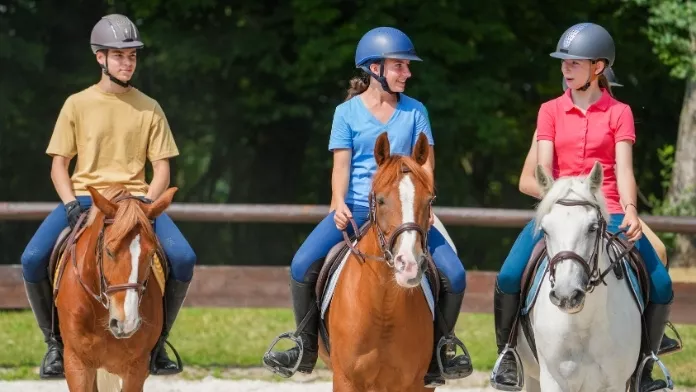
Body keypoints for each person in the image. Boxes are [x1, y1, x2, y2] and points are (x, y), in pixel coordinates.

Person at [262, 26, 472, 387]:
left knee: (454, 275)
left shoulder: (416, 111)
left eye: (407, 67)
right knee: (301, 265)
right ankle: (305, 344)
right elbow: (341, 166)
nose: (407, 73)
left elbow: (427, 167)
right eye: (399, 66)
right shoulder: (346, 114)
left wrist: (422, 206)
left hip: (406, 211)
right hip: (359, 206)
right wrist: (337, 202)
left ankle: (441, 350)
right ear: (375, 68)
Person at [490, 22, 673, 392]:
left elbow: (623, 169)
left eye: (574, 62)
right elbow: (543, 168)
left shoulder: (618, 113)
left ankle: (648, 362)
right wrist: (555, 197)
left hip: (606, 209)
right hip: (559, 208)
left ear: (598, 67)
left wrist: (631, 209)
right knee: (509, 276)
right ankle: (508, 354)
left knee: (662, 283)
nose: (565, 68)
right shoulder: (549, 111)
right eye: (564, 62)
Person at [20, 14, 196, 379]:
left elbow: (161, 168)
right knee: (33, 258)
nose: (127, 62)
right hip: (87, 198)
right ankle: (55, 344)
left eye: (131, 56)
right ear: (100, 58)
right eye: (119, 56)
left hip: (135, 201)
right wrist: (70, 203)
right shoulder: (77, 104)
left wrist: (147, 203)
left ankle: (157, 343)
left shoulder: (150, 107)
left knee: (183, 258)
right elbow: (59, 165)